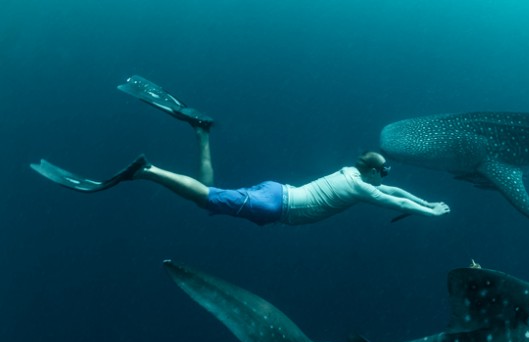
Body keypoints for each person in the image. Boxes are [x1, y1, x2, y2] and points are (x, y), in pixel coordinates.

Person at [30, 76, 450, 226]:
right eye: (385, 171)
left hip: (274, 194)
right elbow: (389, 199)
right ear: (373, 172)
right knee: (208, 199)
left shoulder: (350, 172)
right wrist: (428, 211)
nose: (386, 178)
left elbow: (392, 193)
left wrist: (426, 200)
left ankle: (201, 133)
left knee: (208, 193)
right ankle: (147, 170)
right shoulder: (362, 189)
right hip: (274, 207)